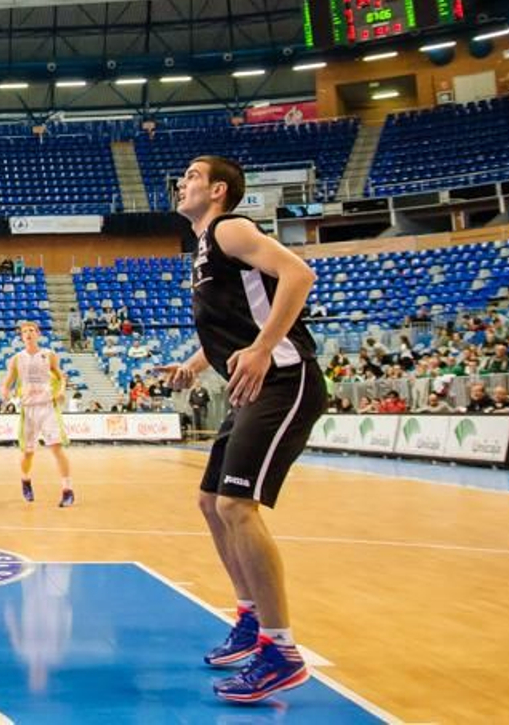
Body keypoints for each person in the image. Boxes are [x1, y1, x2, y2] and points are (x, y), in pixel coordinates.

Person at [162, 155, 327, 704]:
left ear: (218, 190)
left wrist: (259, 349)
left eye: (191, 176)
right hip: (251, 383)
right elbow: (238, 320)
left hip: (284, 378)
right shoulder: (205, 248)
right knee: (212, 503)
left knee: (237, 506)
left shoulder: (231, 228)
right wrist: (194, 364)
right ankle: (251, 619)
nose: (181, 183)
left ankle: (281, 651)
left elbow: (299, 275)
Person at [0, 322, 75, 507]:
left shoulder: (48, 355)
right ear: (21, 336)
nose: (28, 334)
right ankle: (25, 480)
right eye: (24, 331)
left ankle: (67, 490)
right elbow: (7, 382)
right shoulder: (16, 359)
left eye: (31, 330)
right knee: (28, 452)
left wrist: (62, 390)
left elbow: (61, 376)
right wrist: (5, 392)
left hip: (47, 406)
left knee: (56, 448)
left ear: (38, 334)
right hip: (28, 408)